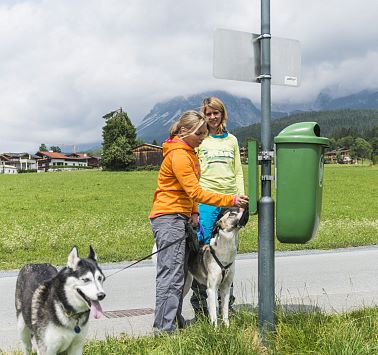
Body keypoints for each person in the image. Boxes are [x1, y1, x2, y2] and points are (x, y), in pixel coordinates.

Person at [149, 110, 248, 333]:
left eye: (205, 133)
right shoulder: (179, 155)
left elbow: (190, 193)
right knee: (172, 275)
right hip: (169, 218)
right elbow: (196, 191)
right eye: (200, 134)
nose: (204, 137)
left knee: (181, 273)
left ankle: (173, 320)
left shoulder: (189, 152)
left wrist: (193, 213)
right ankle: (164, 330)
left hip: (181, 216)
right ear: (185, 131)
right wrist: (230, 199)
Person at [190, 96, 246, 317]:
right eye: (208, 114)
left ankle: (226, 305)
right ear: (204, 116)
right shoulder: (201, 140)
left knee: (227, 252)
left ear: (223, 114)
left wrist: (240, 198)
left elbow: (238, 170)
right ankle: (201, 306)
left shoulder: (231, 140)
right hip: (206, 200)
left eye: (216, 113)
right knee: (202, 251)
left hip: (230, 201)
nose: (212, 117)